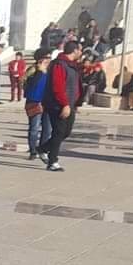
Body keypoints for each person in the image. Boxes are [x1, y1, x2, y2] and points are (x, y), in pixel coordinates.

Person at [39, 41, 83, 172]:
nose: (81, 53)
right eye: (80, 50)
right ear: (74, 51)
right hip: (58, 105)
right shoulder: (59, 65)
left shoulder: (72, 66)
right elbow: (57, 87)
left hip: (70, 104)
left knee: (66, 132)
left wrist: (75, 102)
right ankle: (53, 162)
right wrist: (64, 104)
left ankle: (42, 149)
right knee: (59, 132)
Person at [23, 49, 53, 159]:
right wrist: (40, 72)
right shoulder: (33, 70)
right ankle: (33, 151)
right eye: (47, 57)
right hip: (35, 102)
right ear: (40, 59)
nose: (49, 60)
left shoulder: (51, 70)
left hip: (48, 102)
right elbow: (31, 84)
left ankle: (42, 149)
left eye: (50, 57)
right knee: (34, 127)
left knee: (47, 128)